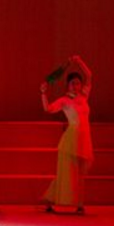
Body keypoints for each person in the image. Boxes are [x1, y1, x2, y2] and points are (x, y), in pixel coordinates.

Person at [40, 55, 93, 214]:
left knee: (80, 174)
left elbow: (89, 75)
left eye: (78, 83)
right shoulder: (64, 100)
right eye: (72, 83)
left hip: (84, 137)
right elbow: (48, 109)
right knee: (67, 173)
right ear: (68, 85)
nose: (76, 86)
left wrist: (79, 61)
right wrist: (43, 93)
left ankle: (79, 204)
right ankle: (53, 200)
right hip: (71, 139)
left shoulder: (84, 96)